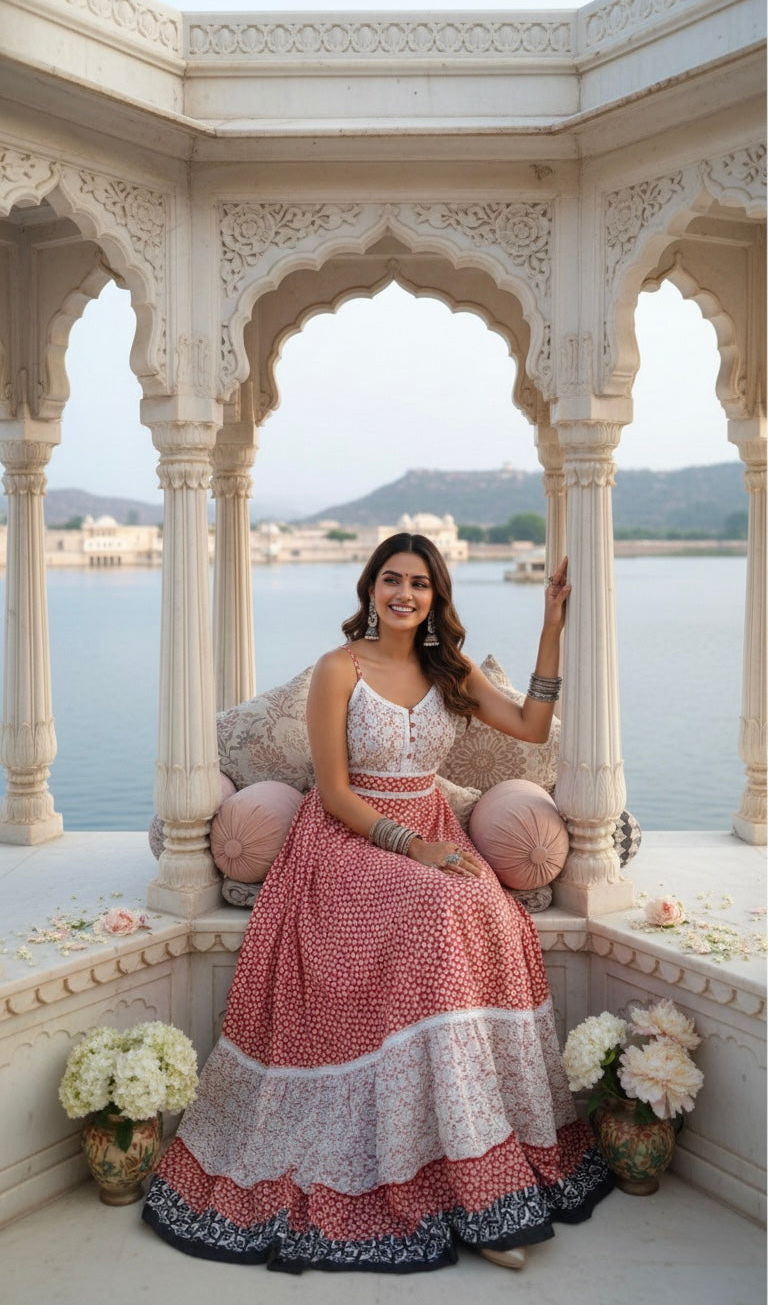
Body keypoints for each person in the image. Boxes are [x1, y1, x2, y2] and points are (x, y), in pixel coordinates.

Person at [142, 532, 613, 1272]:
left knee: (491, 915)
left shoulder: (446, 668)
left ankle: (482, 1173)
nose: (404, 594)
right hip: (347, 840)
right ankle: (466, 1188)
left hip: (431, 826)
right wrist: (413, 848)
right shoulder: (341, 669)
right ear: (370, 588)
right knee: (436, 908)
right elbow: (331, 792)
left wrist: (551, 628)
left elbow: (531, 727)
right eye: (391, 580)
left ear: (436, 596)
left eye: (419, 584)